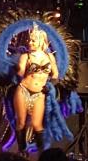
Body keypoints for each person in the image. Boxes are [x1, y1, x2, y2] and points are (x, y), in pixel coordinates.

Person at [14, 23, 59, 155]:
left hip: (40, 93)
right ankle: (21, 151)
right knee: (21, 123)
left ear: (40, 41)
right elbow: (21, 72)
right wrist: (16, 70)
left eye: (33, 40)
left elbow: (55, 75)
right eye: (30, 40)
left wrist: (50, 86)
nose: (30, 43)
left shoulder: (49, 57)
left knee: (37, 125)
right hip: (23, 90)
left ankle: (42, 153)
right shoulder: (25, 56)